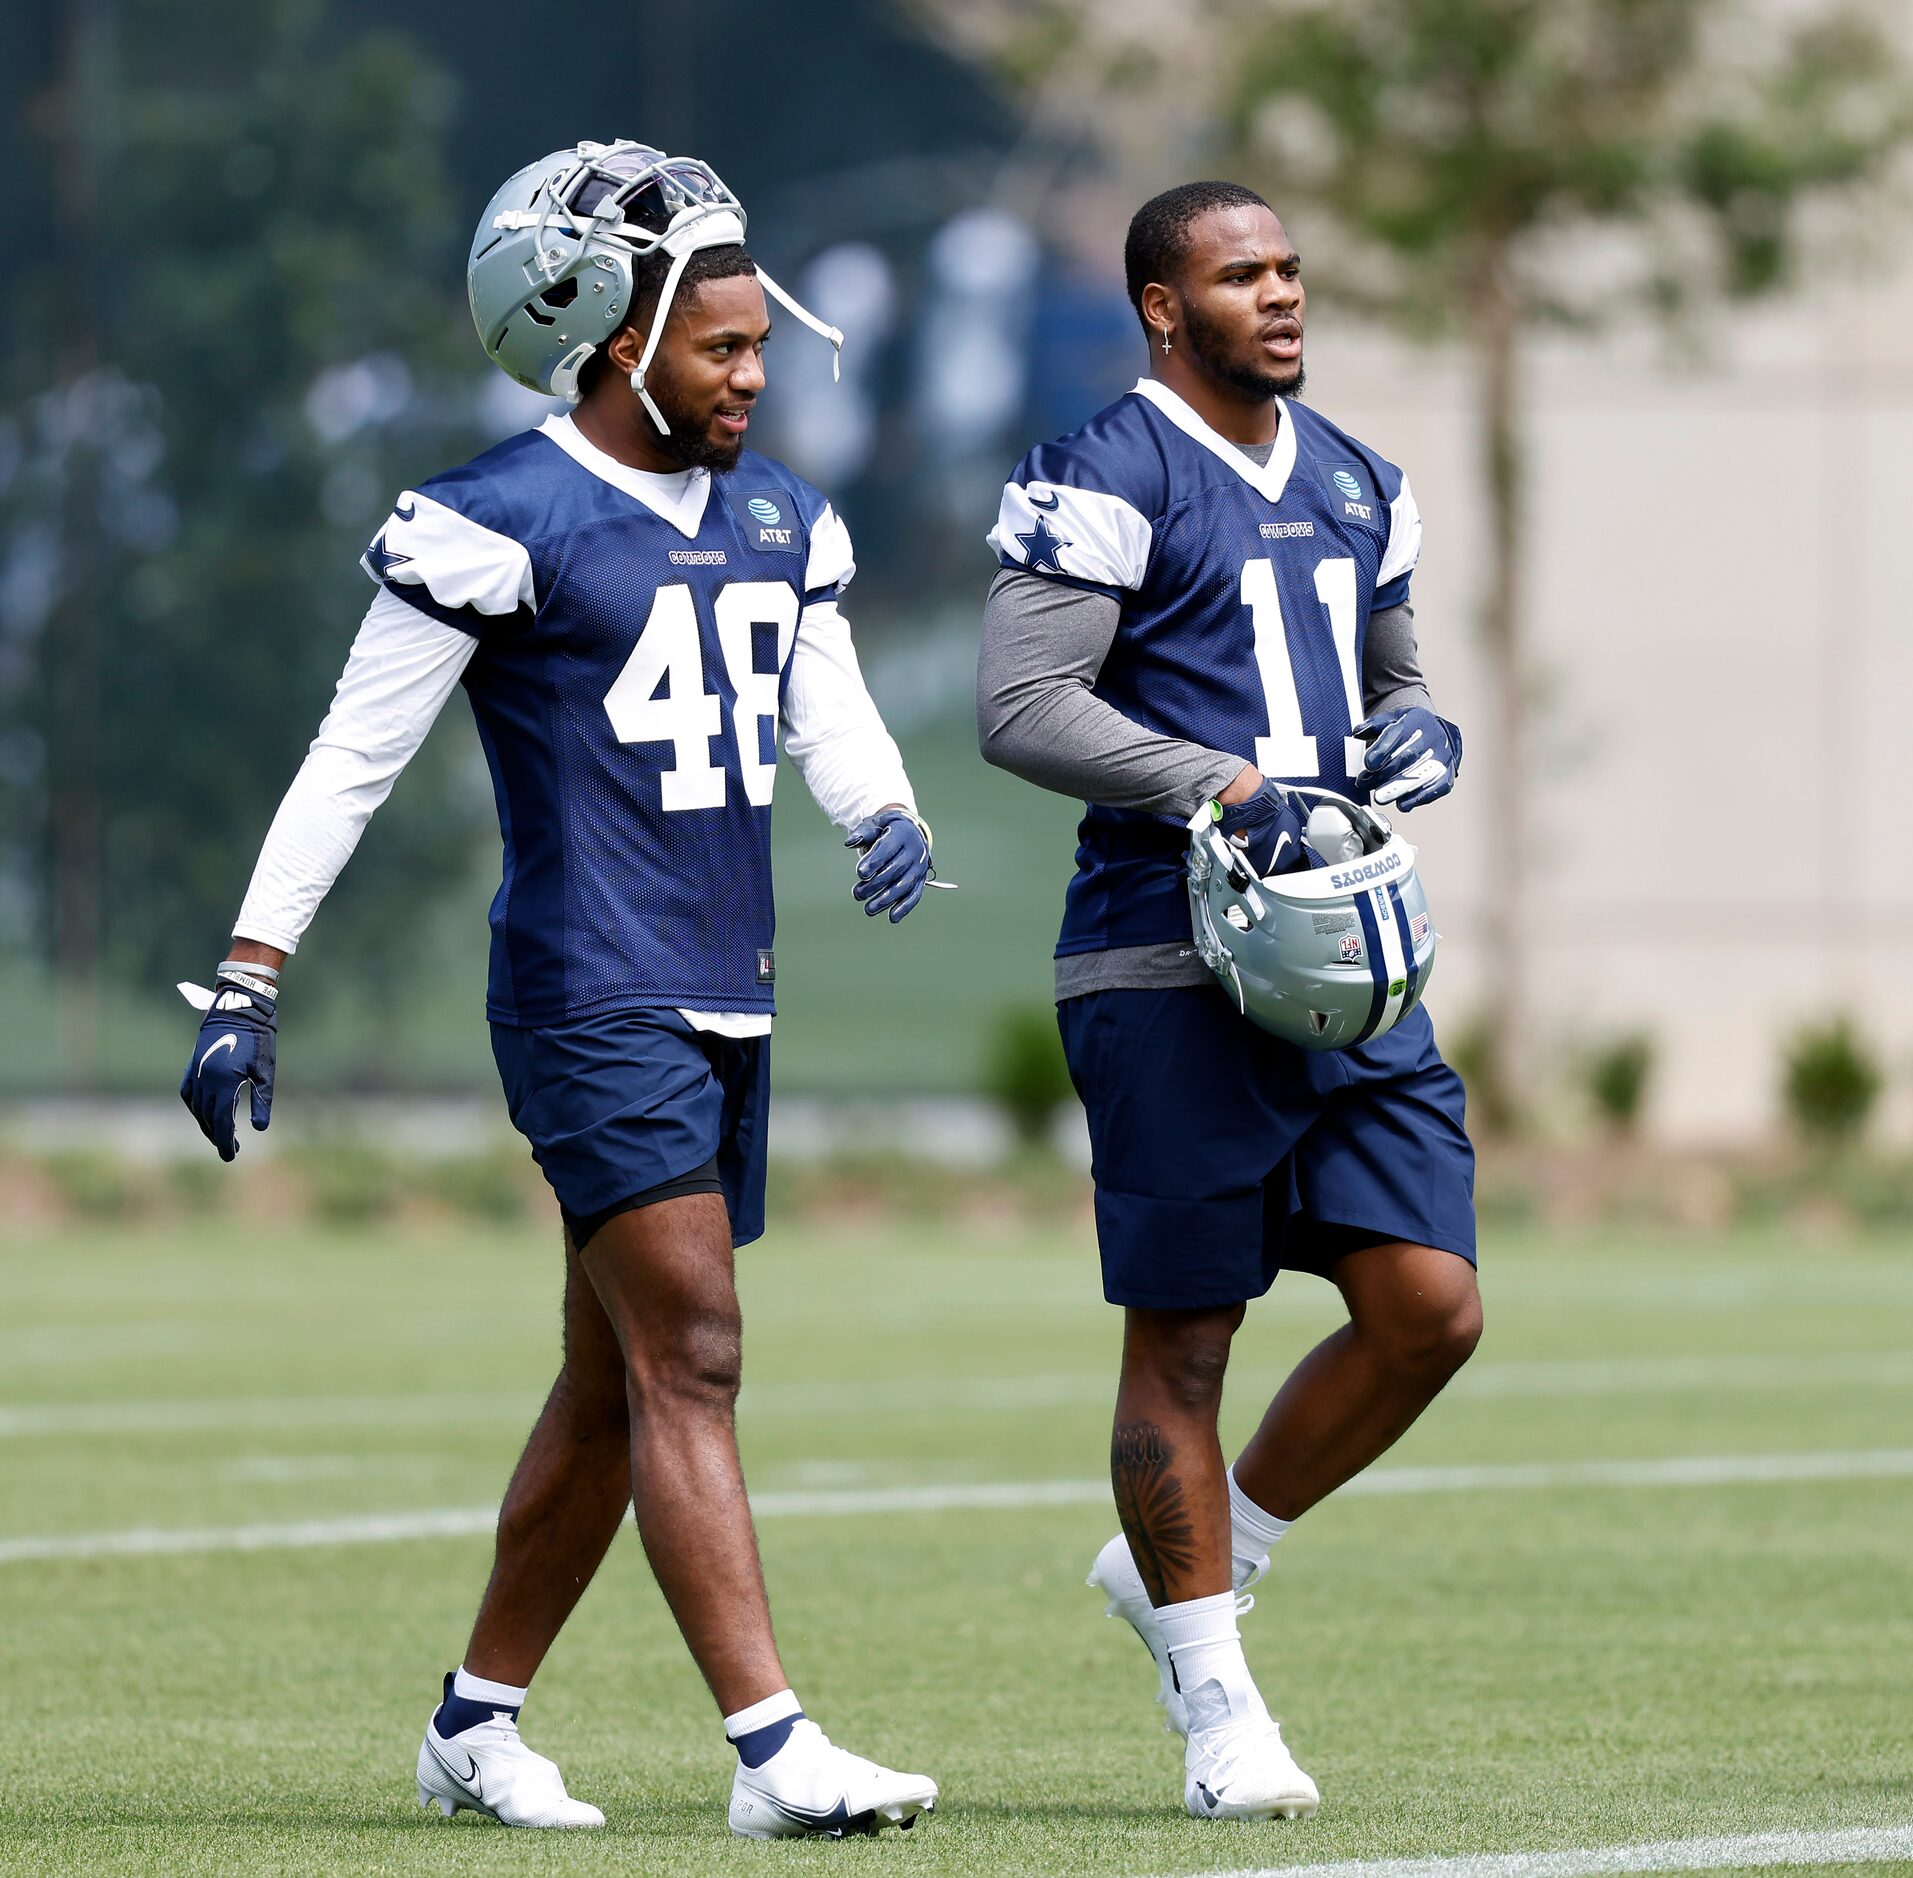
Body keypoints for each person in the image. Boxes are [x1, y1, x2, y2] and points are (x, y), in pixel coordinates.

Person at [178, 141, 940, 1840]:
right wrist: (245, 973)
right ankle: (771, 1748)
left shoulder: (775, 514)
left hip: (726, 984)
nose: (755, 374)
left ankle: (473, 1722)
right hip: (589, 991)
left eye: (755, 345)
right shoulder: (494, 520)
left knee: (611, 1385)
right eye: (721, 348)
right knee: (698, 1349)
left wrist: (882, 811)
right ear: (610, 342)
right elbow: (351, 757)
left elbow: (827, 701)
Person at [977, 180, 1480, 1824]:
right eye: (1237, 274)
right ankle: (1215, 1705)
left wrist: (1422, 736)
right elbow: (1021, 703)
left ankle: (1203, 1556)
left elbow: (1393, 681)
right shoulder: (1096, 472)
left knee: (1429, 1306)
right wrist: (1215, 782)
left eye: (1286, 269)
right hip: (1163, 951)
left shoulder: (1354, 477)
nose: (1278, 295)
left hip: (1342, 951)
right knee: (1182, 1343)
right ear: (1158, 306)